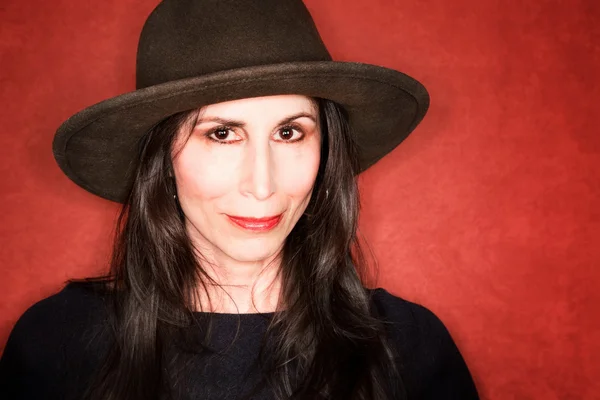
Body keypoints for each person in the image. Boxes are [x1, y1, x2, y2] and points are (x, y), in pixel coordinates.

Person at [0, 0, 479, 399]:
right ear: (162, 157)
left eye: (290, 132)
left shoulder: (410, 346)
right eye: (223, 133)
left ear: (325, 148)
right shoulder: (56, 341)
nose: (262, 184)